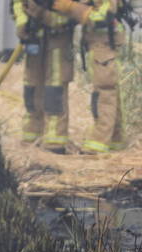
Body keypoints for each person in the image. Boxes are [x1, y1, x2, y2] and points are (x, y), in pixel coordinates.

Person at [48, 0, 125, 153]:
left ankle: (99, 142)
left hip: (105, 43)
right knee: (108, 90)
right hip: (98, 42)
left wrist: (72, 7)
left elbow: (103, 16)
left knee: (104, 91)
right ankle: (115, 138)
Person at [12, 0, 77, 153]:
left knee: (55, 89)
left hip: (58, 40)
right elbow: (17, 3)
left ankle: (55, 140)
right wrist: (22, 22)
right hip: (34, 38)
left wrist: (43, 15)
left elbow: (73, 15)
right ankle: (31, 134)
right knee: (31, 86)